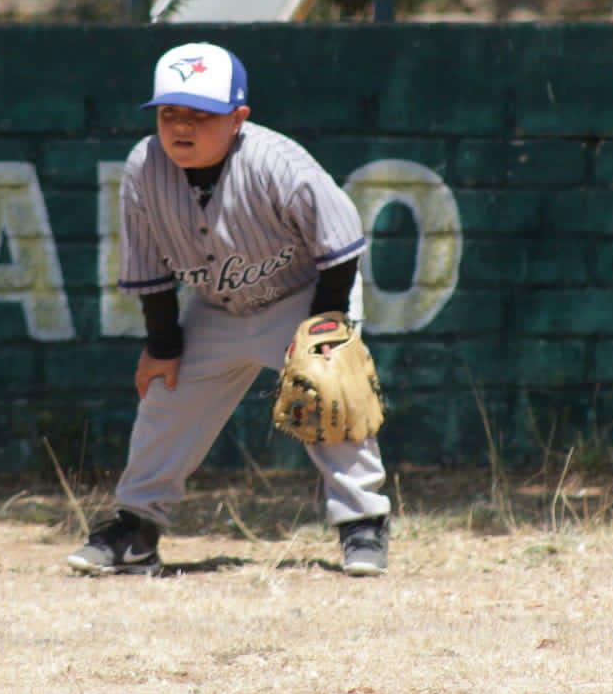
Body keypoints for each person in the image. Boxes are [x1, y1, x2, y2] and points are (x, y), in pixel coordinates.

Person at [67, 41, 391, 577]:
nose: (181, 126)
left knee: (331, 393)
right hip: (217, 308)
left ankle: (363, 523)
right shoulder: (144, 167)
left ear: (238, 118)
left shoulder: (276, 162)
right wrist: (163, 346)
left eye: (201, 115)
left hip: (304, 297)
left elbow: (340, 243)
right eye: (169, 113)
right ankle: (136, 530)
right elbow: (149, 270)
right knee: (166, 401)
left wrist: (324, 327)